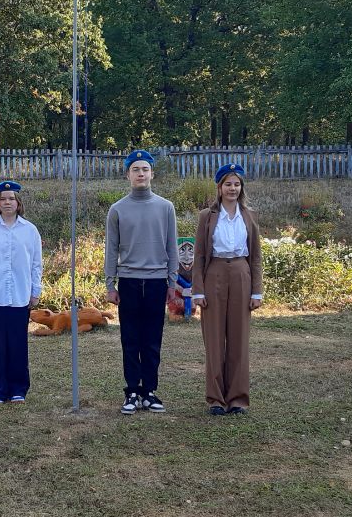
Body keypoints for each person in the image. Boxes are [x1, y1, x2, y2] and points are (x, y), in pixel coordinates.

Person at [105, 150, 178, 415]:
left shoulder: (165, 207)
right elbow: (111, 249)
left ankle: (150, 391)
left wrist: (172, 282)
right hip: (129, 282)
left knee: (152, 339)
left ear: (152, 174)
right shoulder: (118, 209)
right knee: (130, 339)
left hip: (157, 281)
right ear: (127, 174)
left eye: (145, 169)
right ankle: (132, 392)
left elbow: (172, 246)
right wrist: (109, 285)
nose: (140, 174)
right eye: (135, 169)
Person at [192, 164, 264, 417]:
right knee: (213, 339)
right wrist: (197, 290)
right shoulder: (207, 216)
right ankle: (215, 399)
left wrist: (257, 291)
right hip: (215, 274)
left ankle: (237, 398)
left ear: (241, 187)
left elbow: (256, 256)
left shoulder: (250, 215)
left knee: (238, 338)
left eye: (237, 184)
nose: (233, 188)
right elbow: (199, 256)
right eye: (228, 184)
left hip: (241, 274)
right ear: (219, 188)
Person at [0, 181, 42, 405]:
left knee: (18, 344)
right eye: (3, 199)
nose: (7, 202)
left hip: (21, 296)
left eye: (11, 198)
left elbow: (36, 264)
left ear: (18, 202)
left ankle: (18, 389)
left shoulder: (30, 230)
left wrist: (35, 291)